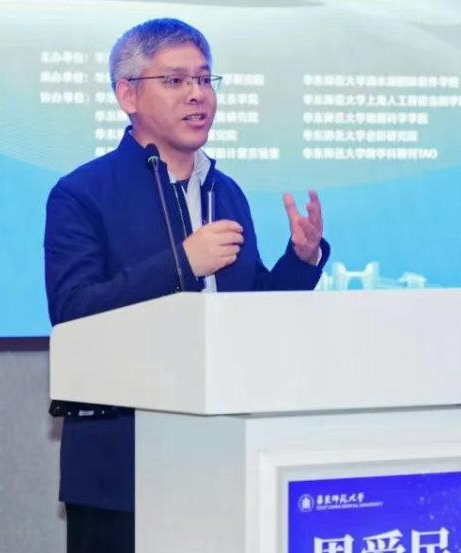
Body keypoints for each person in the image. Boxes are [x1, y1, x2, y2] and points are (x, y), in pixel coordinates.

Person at [43, 17, 329, 553]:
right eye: (175, 81)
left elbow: (250, 313)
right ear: (128, 95)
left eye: (204, 79)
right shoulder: (81, 194)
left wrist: (302, 259)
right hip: (121, 469)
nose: (197, 94)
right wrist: (183, 263)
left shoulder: (226, 192)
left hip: (223, 454)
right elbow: (73, 311)